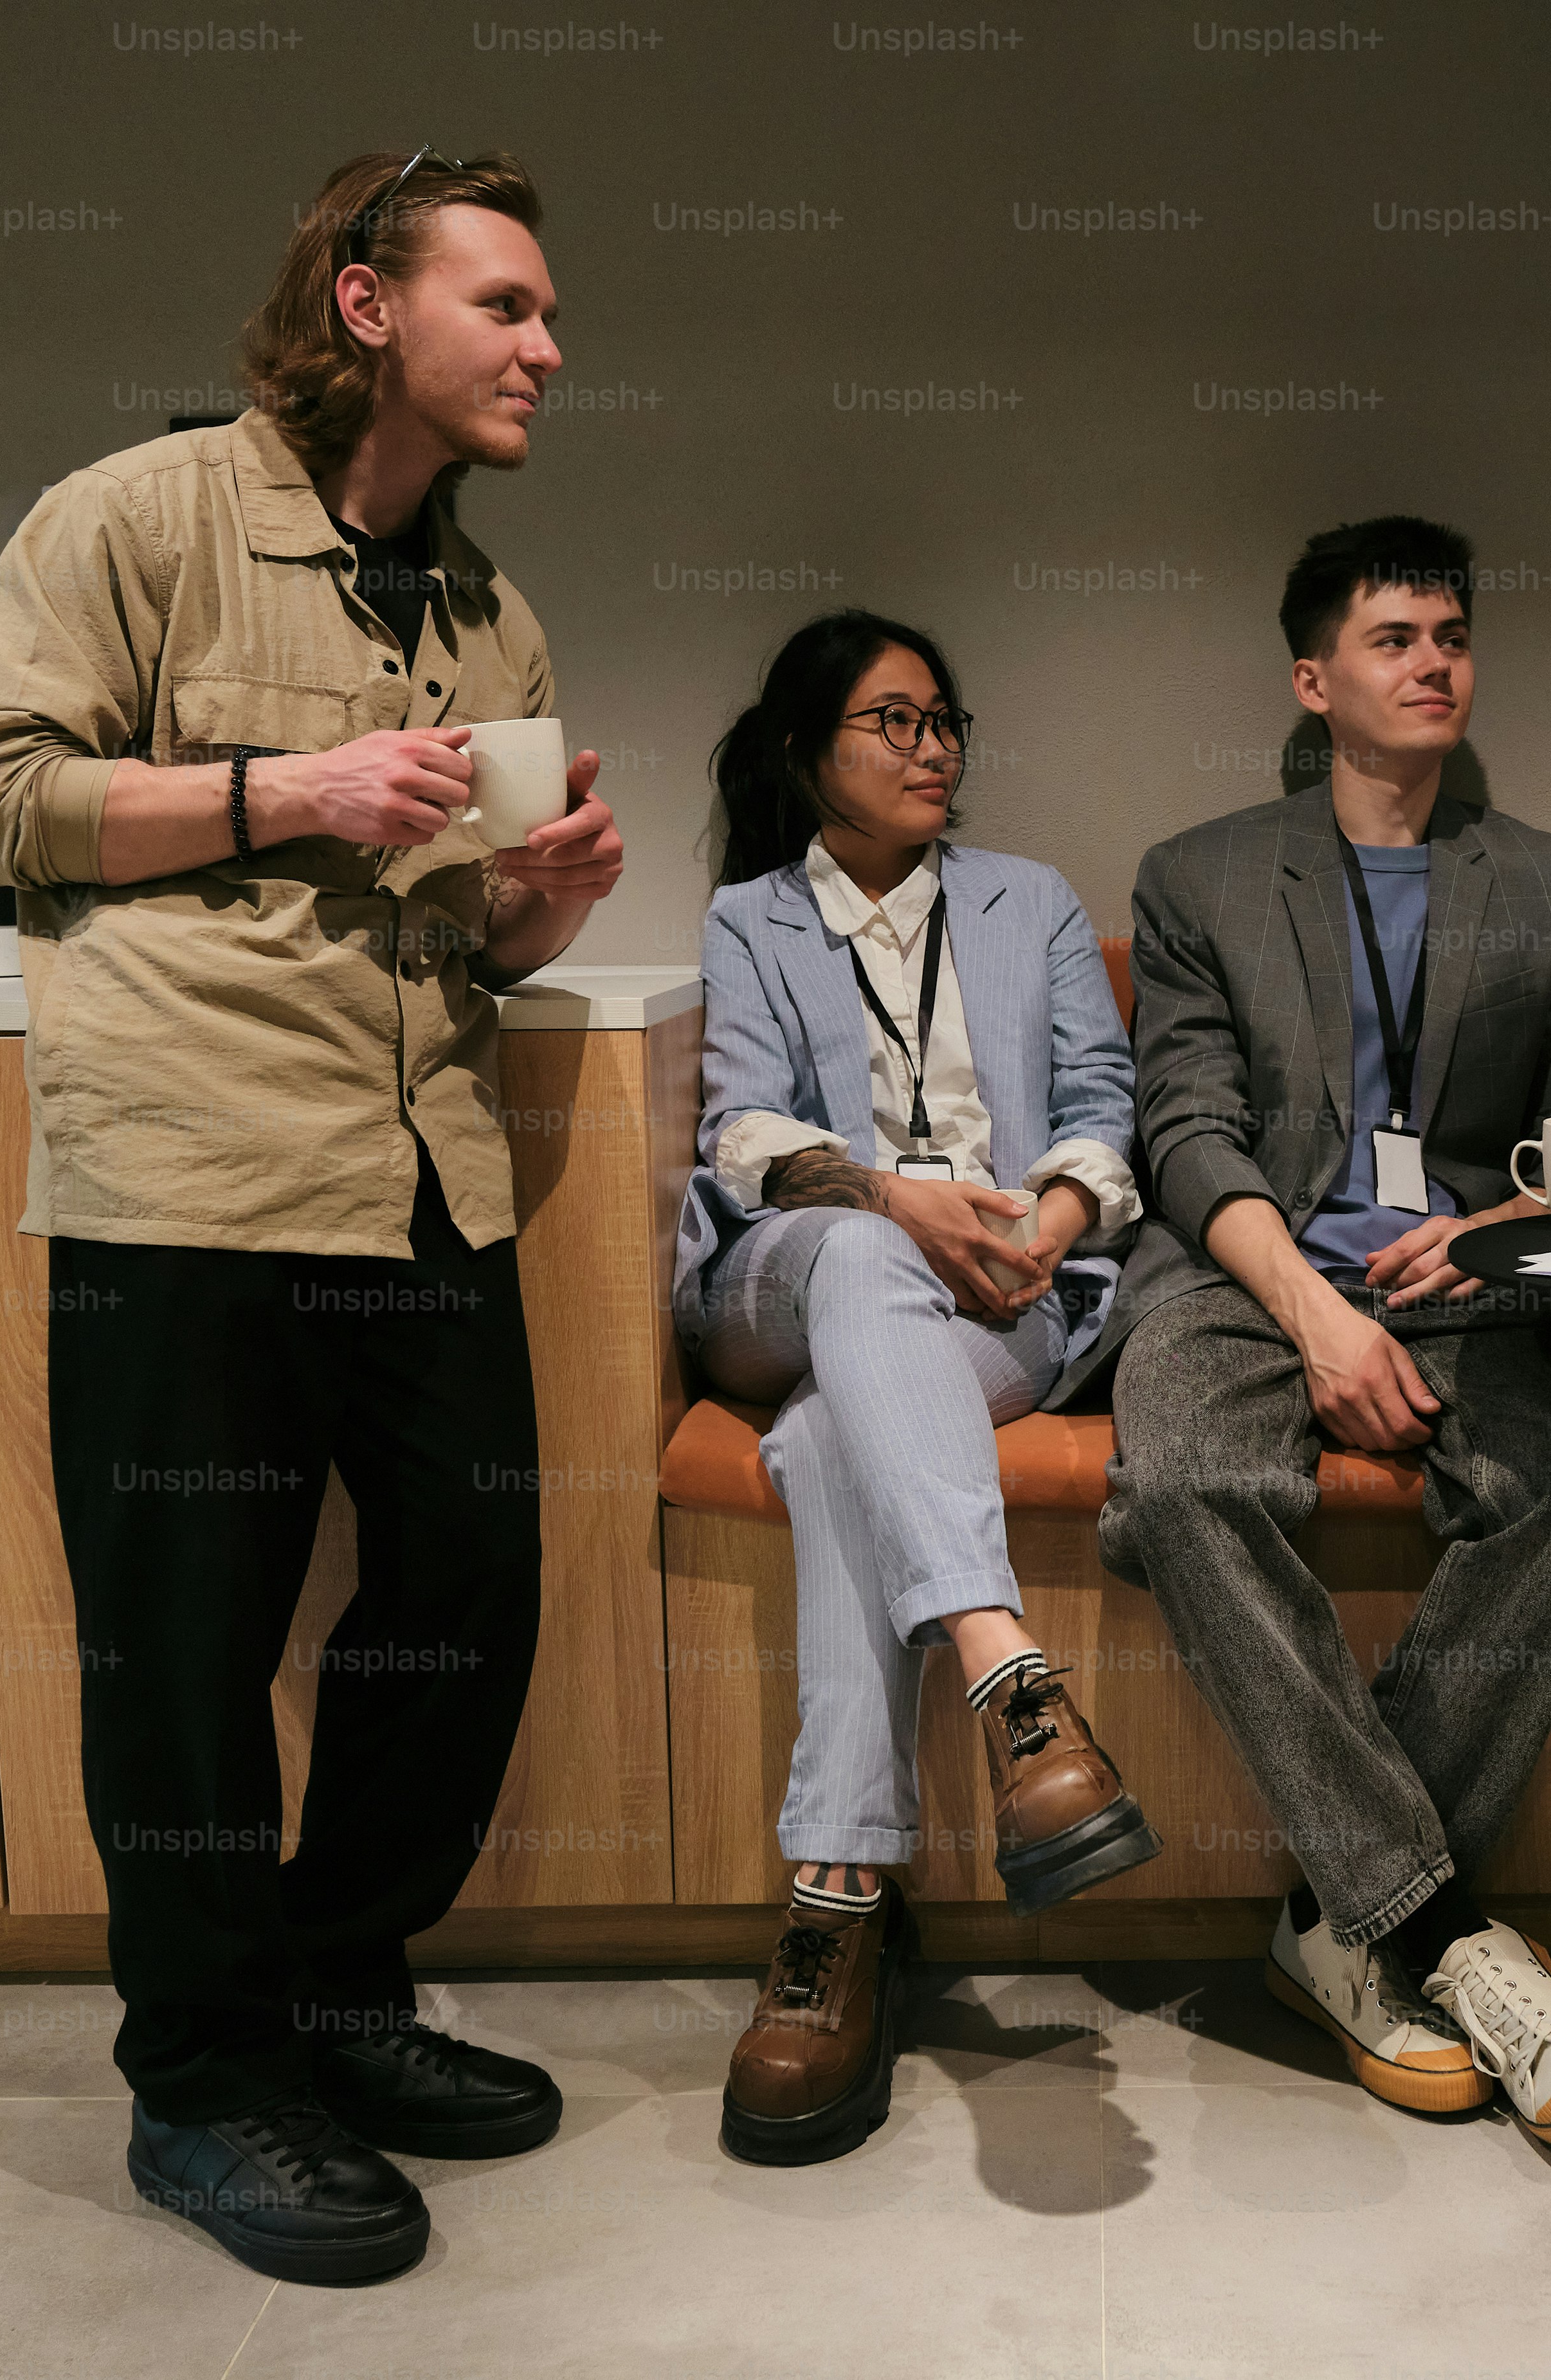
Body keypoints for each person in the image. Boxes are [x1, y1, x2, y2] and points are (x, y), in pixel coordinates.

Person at [0, 148, 626, 2285]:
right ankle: (212, 2073)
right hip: (192, 1174)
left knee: (469, 1590)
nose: (546, 345)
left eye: (544, 311)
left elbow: (454, 931)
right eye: (503, 303)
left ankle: (336, 1990)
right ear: (361, 303)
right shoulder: (133, 522)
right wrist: (289, 791)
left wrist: (535, 910)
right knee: (189, 1650)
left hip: (423, 1173)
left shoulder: (489, 613)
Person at [1087, 516, 1551, 2154]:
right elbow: (1183, 1133)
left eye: (1452, 634)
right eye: (1394, 637)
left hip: (1462, 1287)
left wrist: (1483, 1234)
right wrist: (1314, 1313)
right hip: (1241, 1278)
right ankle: (1435, 1927)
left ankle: (1346, 1930)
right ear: (1313, 678)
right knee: (1187, 1483)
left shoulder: (1538, 879)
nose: (1433, 663)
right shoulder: (1199, 874)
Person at [678, 610, 1154, 2164]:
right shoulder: (754, 916)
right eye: (892, 720)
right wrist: (897, 1201)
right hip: (791, 1275)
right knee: (860, 1260)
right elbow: (742, 1135)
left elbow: (1101, 1104)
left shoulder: (1028, 904)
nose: (933, 745)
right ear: (812, 750)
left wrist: (1051, 1221)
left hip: (1008, 1295)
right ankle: (1012, 1674)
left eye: (945, 719)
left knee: (828, 1449)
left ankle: (836, 1910)